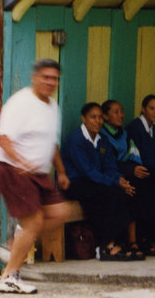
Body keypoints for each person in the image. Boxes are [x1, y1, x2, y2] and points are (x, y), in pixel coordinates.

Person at [0, 59, 74, 293]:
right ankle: (9, 277)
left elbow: (51, 142)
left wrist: (62, 171)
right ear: (35, 78)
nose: (50, 82)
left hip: (37, 173)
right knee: (34, 222)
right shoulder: (20, 103)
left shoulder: (52, 106)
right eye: (46, 77)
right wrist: (21, 162)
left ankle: (14, 244)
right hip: (12, 168)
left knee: (60, 213)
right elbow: (2, 138)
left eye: (55, 78)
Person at [61, 102, 142, 261]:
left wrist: (119, 179)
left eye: (99, 117)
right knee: (106, 194)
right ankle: (106, 245)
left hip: (95, 181)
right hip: (76, 183)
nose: (97, 121)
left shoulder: (102, 140)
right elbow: (88, 172)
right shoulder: (76, 139)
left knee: (125, 192)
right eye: (93, 117)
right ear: (83, 119)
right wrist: (114, 182)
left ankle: (121, 241)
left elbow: (110, 166)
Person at [101, 99, 155, 257]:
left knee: (146, 185)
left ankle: (141, 237)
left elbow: (133, 154)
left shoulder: (124, 134)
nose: (121, 115)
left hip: (128, 172)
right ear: (105, 116)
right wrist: (130, 170)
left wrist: (135, 167)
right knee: (133, 189)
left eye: (122, 111)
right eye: (116, 112)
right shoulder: (102, 135)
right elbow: (107, 163)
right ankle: (133, 240)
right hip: (111, 176)